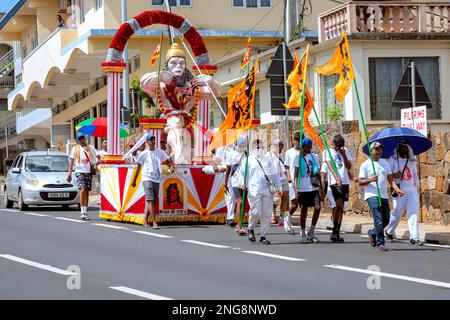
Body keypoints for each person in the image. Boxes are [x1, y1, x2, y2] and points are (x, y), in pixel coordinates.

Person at [140, 43, 221, 164]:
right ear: (167, 65)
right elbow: (143, 83)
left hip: (185, 124)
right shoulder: (160, 86)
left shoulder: (191, 88)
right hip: (165, 123)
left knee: (187, 139)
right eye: (173, 63)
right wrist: (161, 76)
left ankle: (187, 162)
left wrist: (211, 81)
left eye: (182, 63)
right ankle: (178, 157)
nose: (178, 66)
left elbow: (216, 93)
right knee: (176, 123)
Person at [359, 141, 403, 252]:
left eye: (380, 149)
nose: (379, 151)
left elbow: (390, 179)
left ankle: (372, 232)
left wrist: (397, 190)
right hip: (372, 195)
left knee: (386, 220)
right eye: (377, 149)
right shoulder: (365, 165)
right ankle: (380, 243)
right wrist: (371, 179)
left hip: (383, 195)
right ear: (371, 150)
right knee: (378, 219)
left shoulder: (385, 163)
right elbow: (360, 181)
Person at [239, 139, 281, 245]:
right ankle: (250, 228)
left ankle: (263, 236)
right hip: (254, 190)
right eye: (257, 147)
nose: (259, 149)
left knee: (267, 213)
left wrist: (278, 187)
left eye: (261, 147)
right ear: (252, 148)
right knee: (255, 212)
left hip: (267, 190)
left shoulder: (268, 160)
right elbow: (241, 174)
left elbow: (275, 175)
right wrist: (242, 183)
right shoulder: (248, 160)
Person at [131, 134, 173, 228]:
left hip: (157, 178)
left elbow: (166, 161)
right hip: (147, 178)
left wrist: (171, 168)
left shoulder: (159, 152)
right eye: (151, 140)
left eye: (154, 140)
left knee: (153, 200)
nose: (153, 141)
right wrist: (134, 181)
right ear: (147, 142)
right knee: (150, 200)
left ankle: (145, 217)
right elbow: (138, 168)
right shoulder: (143, 154)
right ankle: (154, 222)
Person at [385, 140, 422, 246]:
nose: (403, 149)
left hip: (412, 190)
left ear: (408, 148)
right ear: (398, 148)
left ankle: (414, 237)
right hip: (399, 190)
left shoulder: (411, 160)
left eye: (405, 147)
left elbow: (414, 174)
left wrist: (417, 186)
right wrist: (395, 174)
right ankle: (389, 232)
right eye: (401, 147)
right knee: (397, 213)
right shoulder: (393, 159)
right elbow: (389, 175)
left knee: (413, 213)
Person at [293, 138, 325, 243]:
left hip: (314, 186)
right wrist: (296, 187)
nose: (309, 148)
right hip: (303, 188)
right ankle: (302, 232)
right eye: (307, 147)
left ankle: (311, 231)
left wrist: (321, 187)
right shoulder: (298, 158)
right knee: (304, 210)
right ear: (303, 146)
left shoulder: (314, 157)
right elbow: (295, 175)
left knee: (317, 207)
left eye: (310, 147)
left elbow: (318, 172)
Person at [323, 134, 352, 242]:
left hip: (344, 182)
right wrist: (336, 178)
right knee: (338, 204)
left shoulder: (345, 151)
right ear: (333, 143)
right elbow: (330, 166)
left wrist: (343, 155)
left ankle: (337, 232)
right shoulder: (327, 152)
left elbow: (349, 167)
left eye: (339, 147)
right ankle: (334, 230)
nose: (337, 149)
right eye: (336, 146)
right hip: (335, 182)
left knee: (341, 207)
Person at [67, 134, 98, 221]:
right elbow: (71, 162)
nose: (82, 140)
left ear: (85, 139)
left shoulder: (90, 147)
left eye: (83, 138)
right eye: (80, 139)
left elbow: (97, 155)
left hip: (88, 171)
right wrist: (69, 173)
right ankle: (82, 212)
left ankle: (85, 211)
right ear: (78, 141)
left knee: (87, 191)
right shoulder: (75, 149)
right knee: (82, 189)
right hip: (79, 171)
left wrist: (98, 162)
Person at [224, 137, 247, 235]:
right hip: (235, 181)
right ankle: (240, 225)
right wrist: (225, 184)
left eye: (243, 144)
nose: (242, 146)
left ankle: (239, 223)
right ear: (236, 145)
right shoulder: (231, 154)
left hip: (245, 181)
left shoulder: (247, 154)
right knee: (240, 201)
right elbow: (228, 169)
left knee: (243, 203)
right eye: (240, 144)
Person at [265, 139, 289, 226]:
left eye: (282, 145)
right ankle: (272, 214)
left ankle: (282, 218)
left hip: (283, 178)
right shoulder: (268, 155)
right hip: (274, 179)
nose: (282, 147)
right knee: (276, 198)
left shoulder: (281, 155)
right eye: (280, 145)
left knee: (285, 196)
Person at [283, 131, 301, 235]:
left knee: (301, 204)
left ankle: (303, 229)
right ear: (294, 141)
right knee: (294, 204)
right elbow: (287, 166)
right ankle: (287, 217)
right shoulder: (289, 152)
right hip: (292, 181)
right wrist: (289, 176)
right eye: (297, 141)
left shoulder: (304, 152)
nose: (299, 143)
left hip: (302, 181)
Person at [214, 144, 237, 227]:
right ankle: (231, 218)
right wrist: (216, 167)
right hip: (227, 174)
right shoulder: (222, 149)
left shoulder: (237, 148)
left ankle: (229, 217)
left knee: (234, 197)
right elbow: (216, 161)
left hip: (237, 174)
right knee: (229, 195)